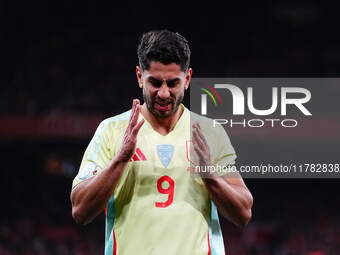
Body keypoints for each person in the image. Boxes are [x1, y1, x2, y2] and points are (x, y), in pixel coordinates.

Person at [70, 29, 253, 255]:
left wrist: (209, 175)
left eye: (173, 83)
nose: (164, 93)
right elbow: (80, 210)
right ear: (139, 76)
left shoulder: (209, 132)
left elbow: (243, 213)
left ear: (187, 79)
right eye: (155, 82)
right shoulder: (112, 130)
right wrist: (121, 159)